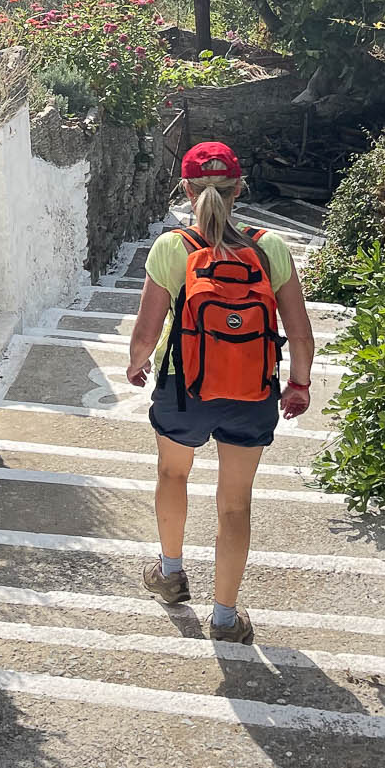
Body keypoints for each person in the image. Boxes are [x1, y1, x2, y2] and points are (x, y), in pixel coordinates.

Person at [125, 140, 314, 643]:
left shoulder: (172, 247)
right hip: (251, 392)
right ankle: (226, 619)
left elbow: (145, 335)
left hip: (182, 387)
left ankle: (169, 575)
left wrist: (136, 365)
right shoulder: (270, 247)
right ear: (239, 189)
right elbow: (299, 332)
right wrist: (297, 385)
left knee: (172, 473)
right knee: (235, 504)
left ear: (186, 190)